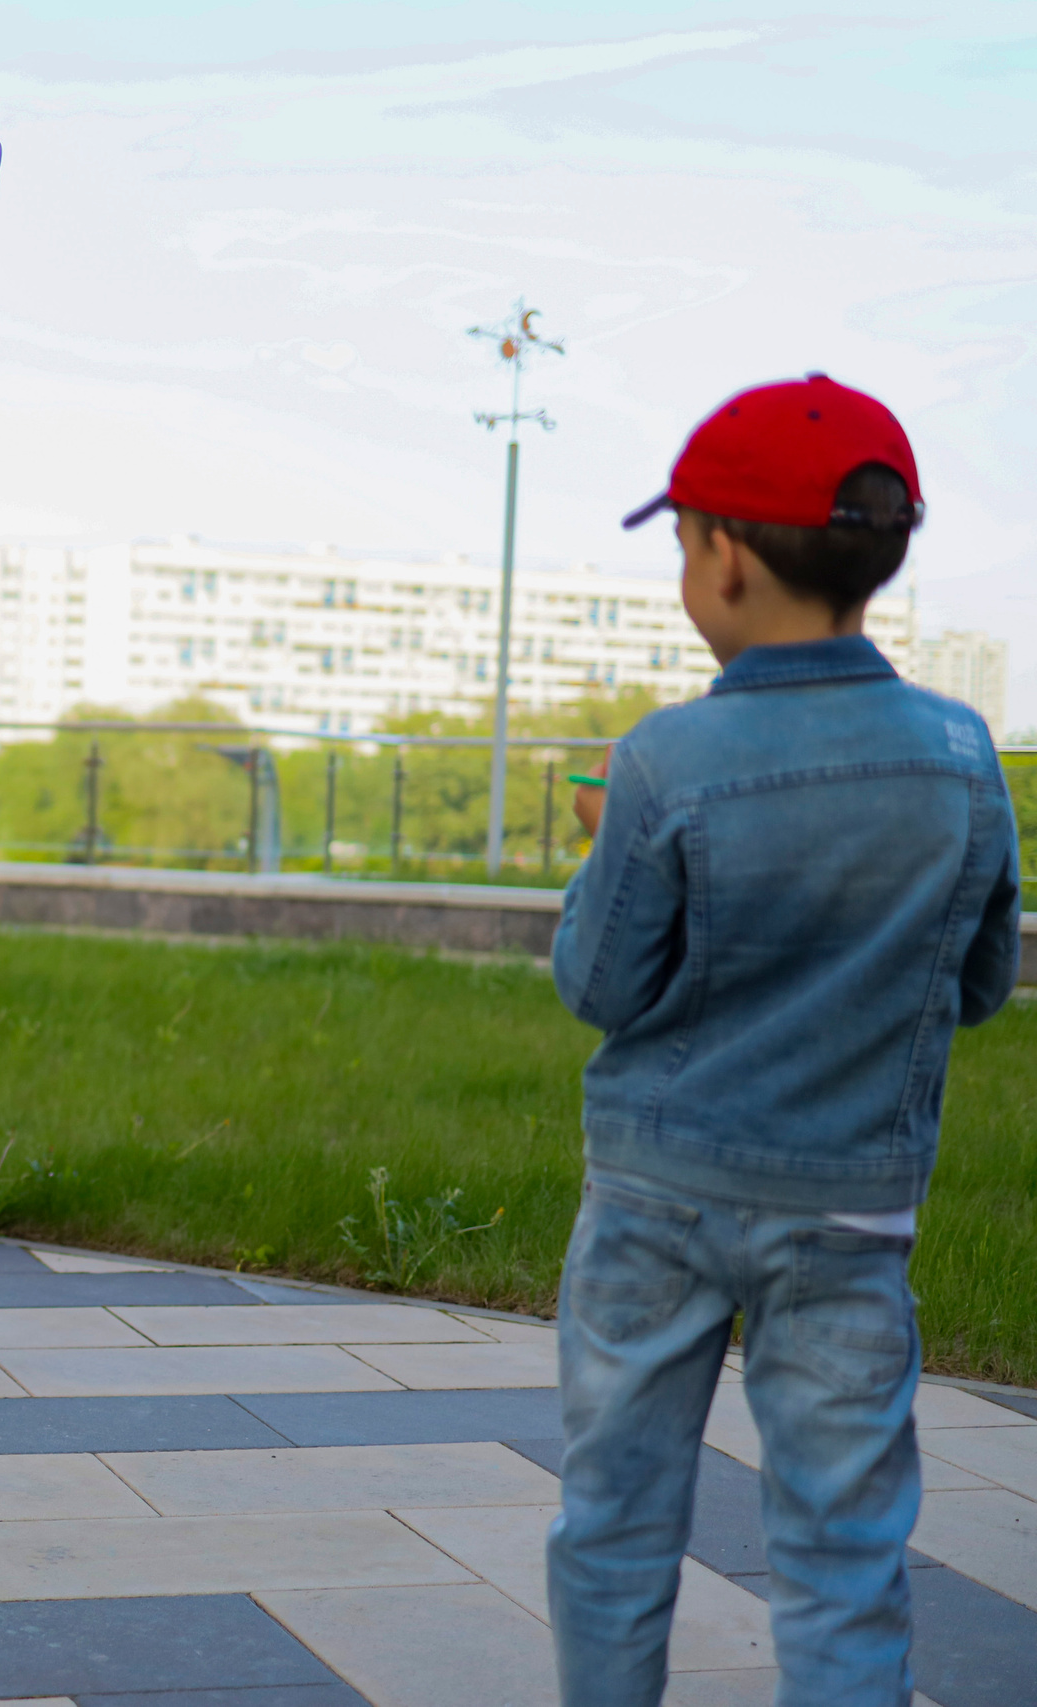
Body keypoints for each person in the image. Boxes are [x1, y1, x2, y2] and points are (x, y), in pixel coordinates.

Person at [547, 375, 1019, 1706]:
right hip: (849, 1214)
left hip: (655, 1201)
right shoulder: (960, 750)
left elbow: (597, 981)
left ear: (727, 557)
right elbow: (980, 983)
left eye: (684, 542)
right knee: (843, 1550)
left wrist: (603, 863)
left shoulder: (665, 759)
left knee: (616, 1521)